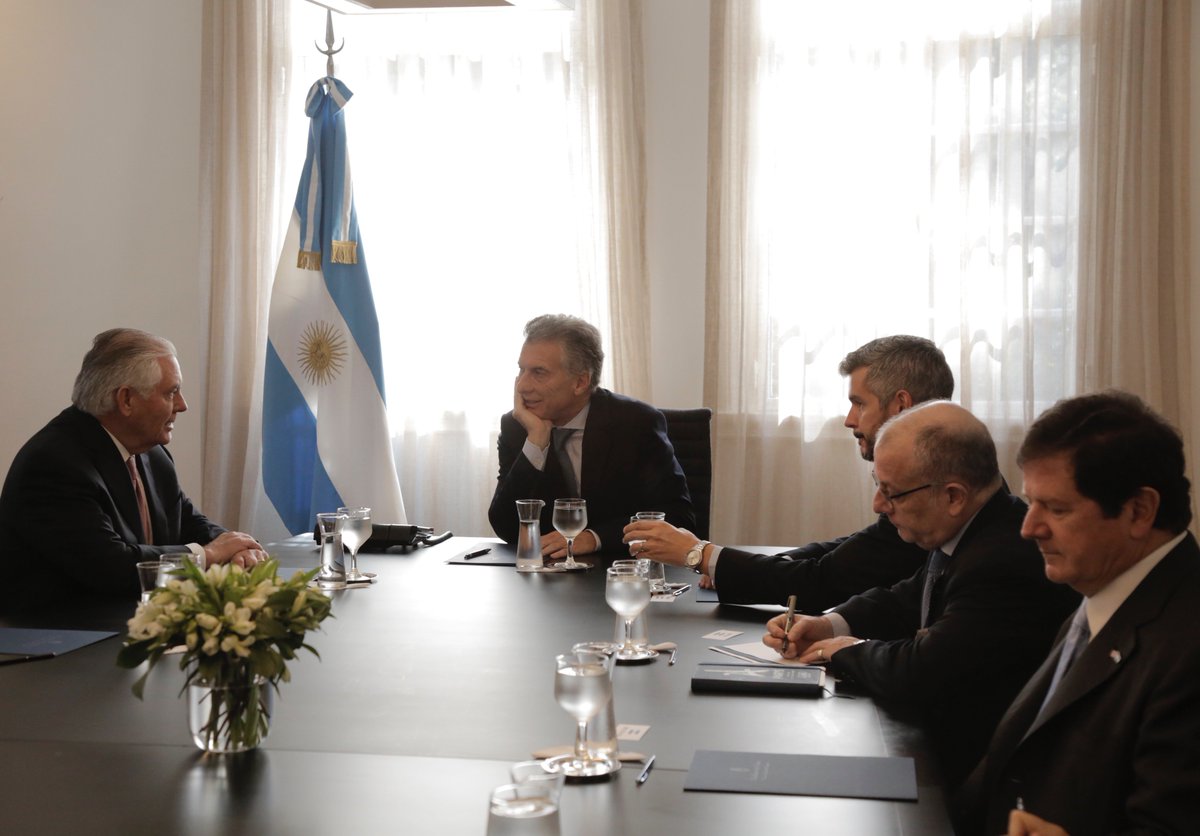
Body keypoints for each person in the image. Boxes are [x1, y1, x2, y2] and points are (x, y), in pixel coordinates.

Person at [762, 401, 1078, 786]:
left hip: (977, 779)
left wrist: (842, 649)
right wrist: (827, 625)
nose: (879, 505)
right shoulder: (973, 528)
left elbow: (921, 671)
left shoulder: (1002, 558)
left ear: (953, 496)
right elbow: (910, 598)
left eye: (891, 493)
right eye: (878, 487)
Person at [955, 391, 1200, 835]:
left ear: (1139, 511)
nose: (1029, 528)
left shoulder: (1187, 645)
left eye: (1057, 508)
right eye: (1030, 503)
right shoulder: (1099, 596)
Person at [624, 335, 953, 610]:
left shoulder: (931, 488)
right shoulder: (935, 465)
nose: (849, 420)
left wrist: (699, 554)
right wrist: (745, 562)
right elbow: (854, 549)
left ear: (901, 405)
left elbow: (820, 583)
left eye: (859, 403)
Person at [0, 329, 266, 617]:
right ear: (126, 399)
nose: (182, 405)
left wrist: (237, 546)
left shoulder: (151, 452)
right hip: (60, 644)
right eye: (171, 392)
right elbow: (113, 567)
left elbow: (187, 520)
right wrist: (209, 555)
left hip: (125, 628)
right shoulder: (54, 464)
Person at [487, 314, 694, 558]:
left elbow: (676, 517)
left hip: (619, 570)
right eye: (521, 370)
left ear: (581, 382)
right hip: (549, 577)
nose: (522, 385)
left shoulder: (635, 423)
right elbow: (506, 526)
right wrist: (535, 444)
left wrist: (594, 538)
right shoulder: (517, 426)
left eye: (539, 372)